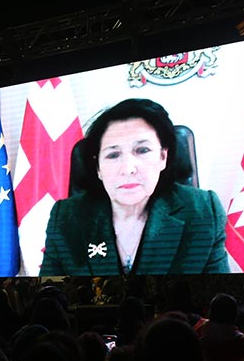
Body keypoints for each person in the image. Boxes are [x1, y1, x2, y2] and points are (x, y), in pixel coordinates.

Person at [40, 98, 229, 276]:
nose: (128, 169)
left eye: (142, 150)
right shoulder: (65, 217)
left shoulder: (203, 212)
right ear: (98, 167)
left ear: (163, 157)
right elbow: (51, 295)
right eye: (113, 155)